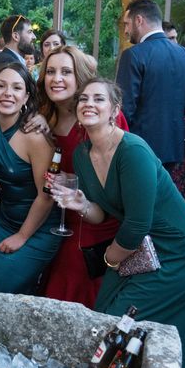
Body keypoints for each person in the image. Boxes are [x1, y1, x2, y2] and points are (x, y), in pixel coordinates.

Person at [61, 78, 185, 368]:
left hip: (182, 250)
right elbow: (103, 212)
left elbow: (136, 224)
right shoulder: (82, 155)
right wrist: (81, 204)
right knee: (104, 311)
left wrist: (107, 260)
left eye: (98, 99)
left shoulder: (133, 151)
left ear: (114, 110)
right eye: (83, 99)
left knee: (123, 320)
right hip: (141, 250)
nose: (89, 103)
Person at [36, 45, 128, 308]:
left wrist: (76, 180)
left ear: (81, 76)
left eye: (66, 71)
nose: (57, 78)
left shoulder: (102, 114)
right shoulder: (45, 115)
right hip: (61, 216)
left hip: (98, 220)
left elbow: (118, 178)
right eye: (51, 72)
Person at [0, 62, 59, 294]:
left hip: (37, 227)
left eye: (16, 88)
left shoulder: (34, 137)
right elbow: (3, 173)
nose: (8, 93)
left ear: (26, 97)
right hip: (6, 220)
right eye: (1, 86)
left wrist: (22, 237)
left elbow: (47, 196)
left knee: (5, 287)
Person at [116, 0, 185, 170]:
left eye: (126, 24)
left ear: (139, 20)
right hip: (174, 149)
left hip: (140, 149)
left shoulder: (133, 55)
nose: (125, 31)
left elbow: (124, 110)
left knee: (138, 197)